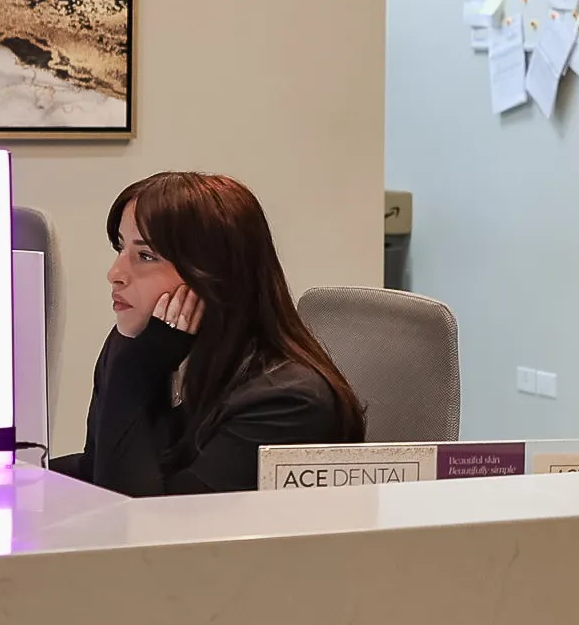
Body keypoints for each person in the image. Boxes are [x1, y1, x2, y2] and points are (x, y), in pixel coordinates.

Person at [71, 172, 365, 496]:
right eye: (120, 248)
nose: (114, 274)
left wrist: (129, 377)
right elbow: (99, 471)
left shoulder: (288, 403)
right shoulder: (145, 347)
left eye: (146, 256)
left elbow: (142, 530)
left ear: (212, 275)